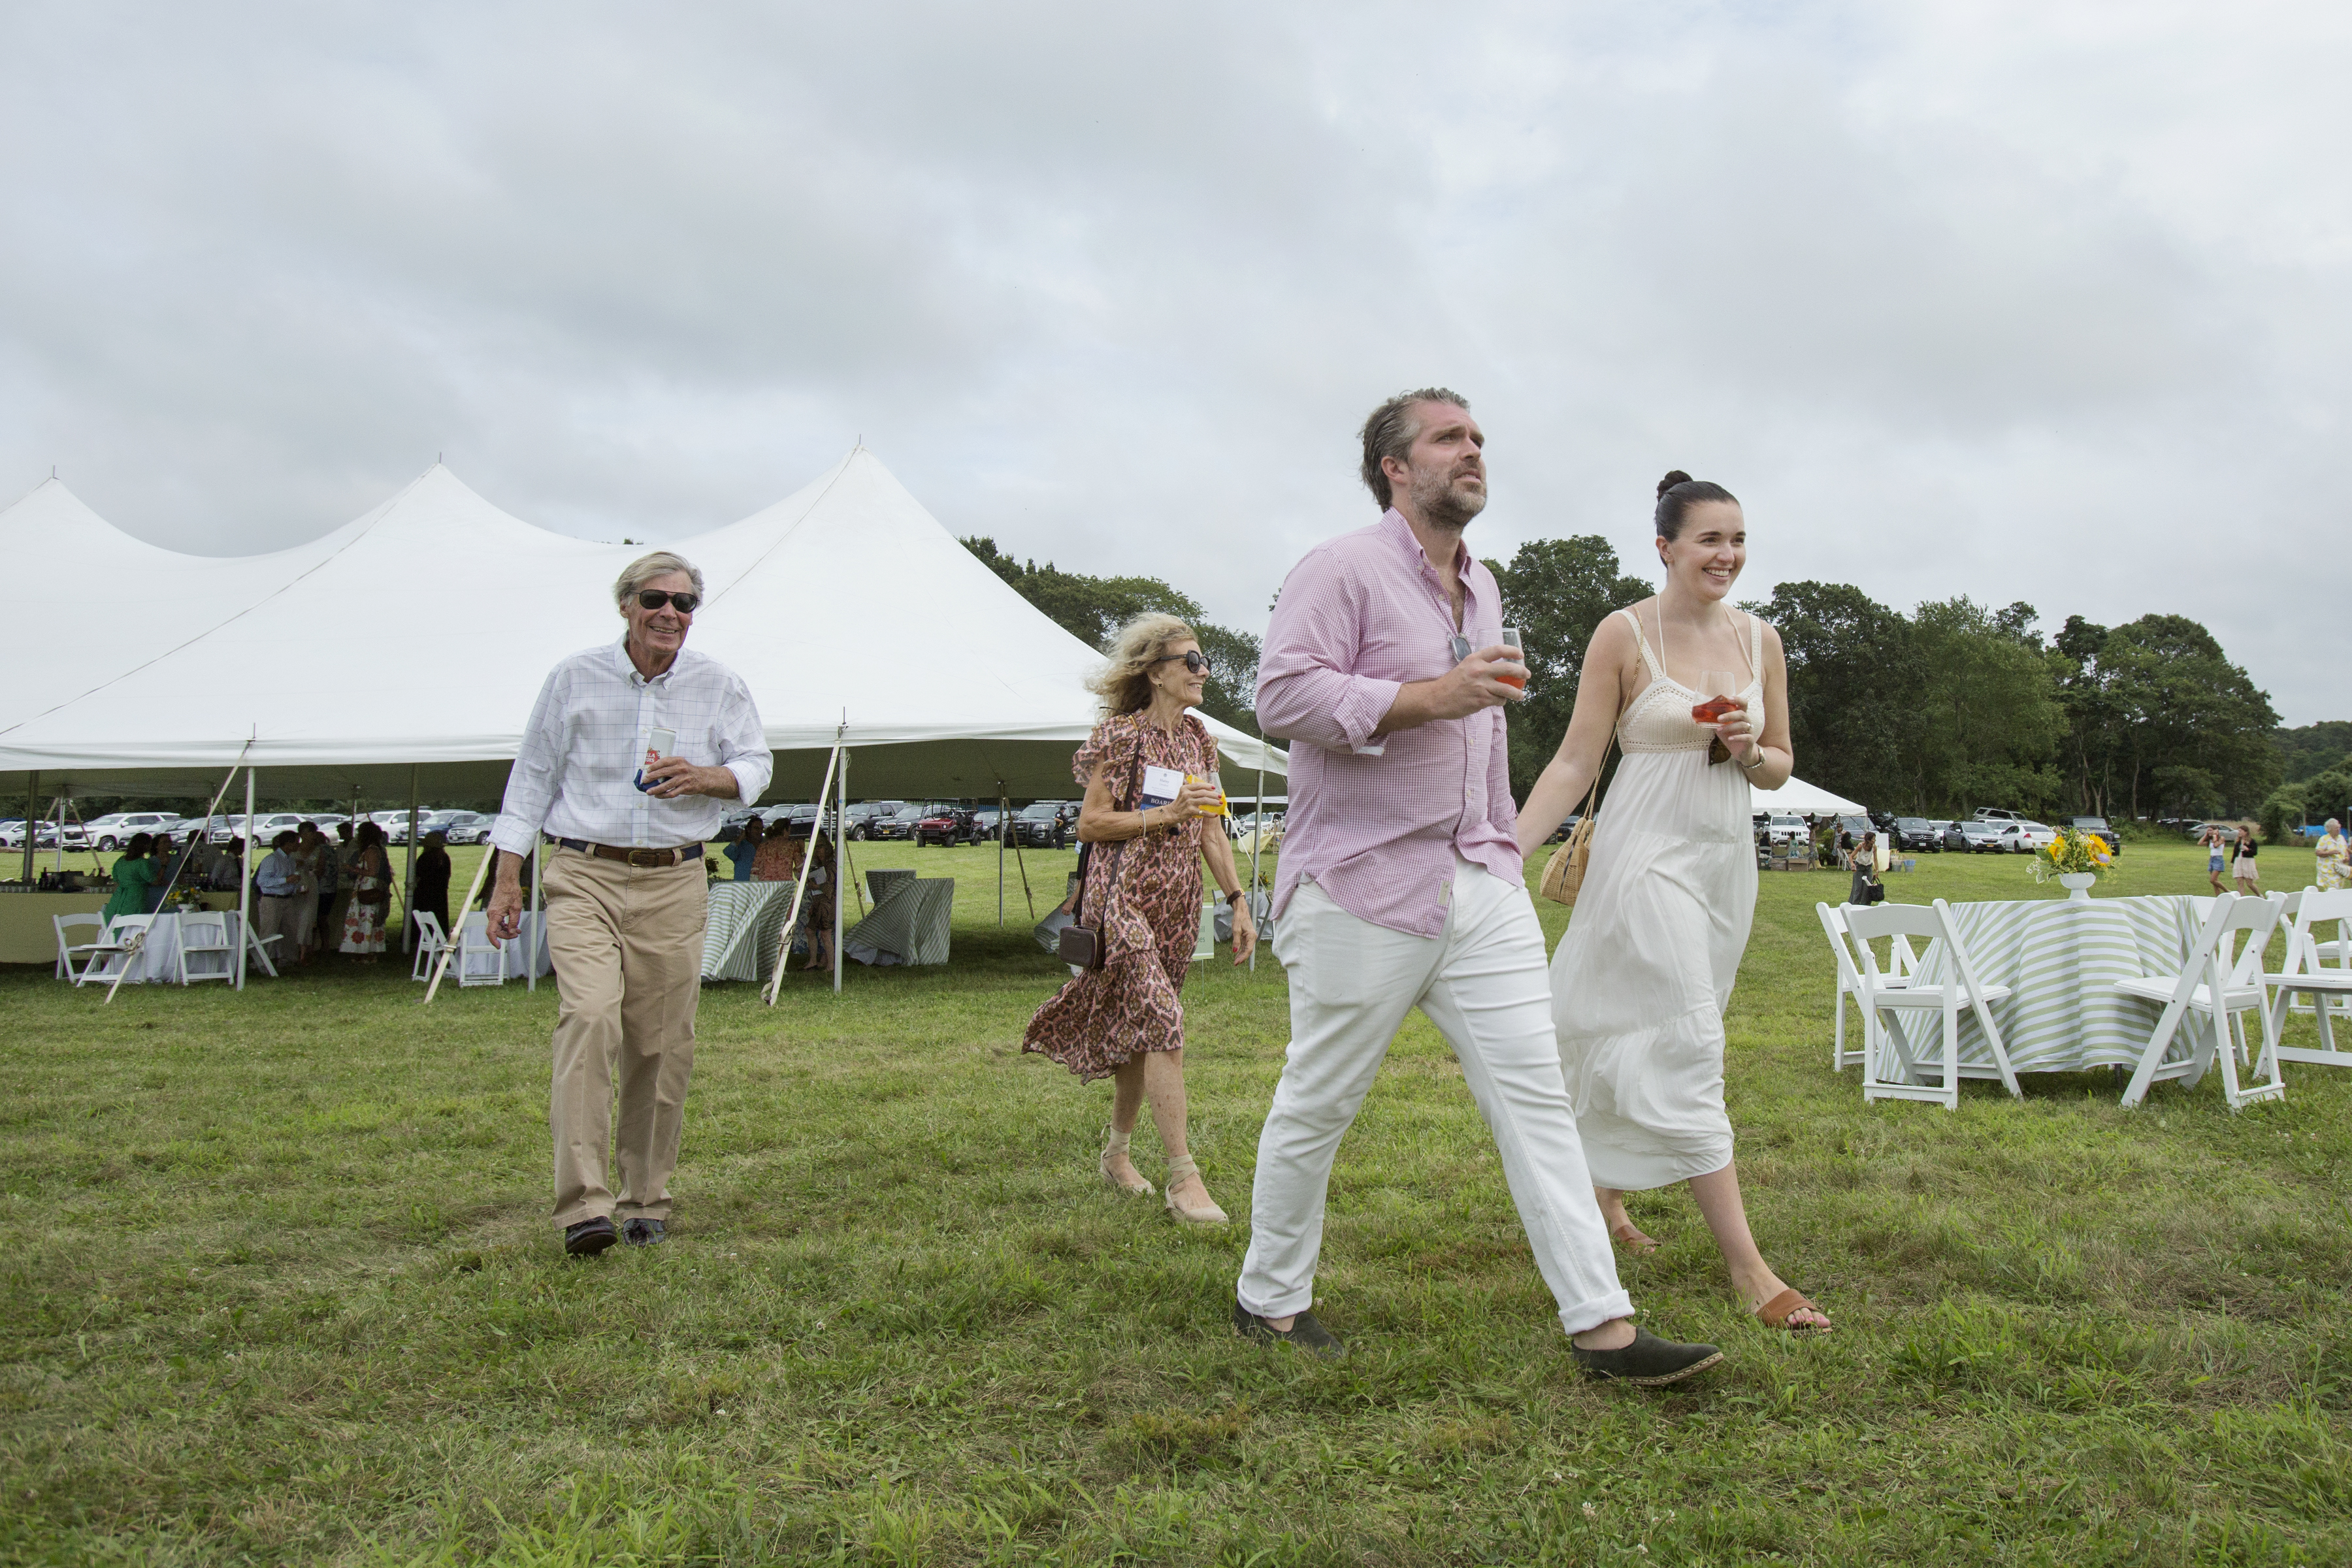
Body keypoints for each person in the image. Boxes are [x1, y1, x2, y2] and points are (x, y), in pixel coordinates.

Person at [1234, 389, 1721, 1384]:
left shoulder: (1484, 585)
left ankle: (1603, 1327)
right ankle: (1270, 1299)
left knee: (1537, 1099)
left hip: (1479, 878)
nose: (1474, 452)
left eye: (1479, 439)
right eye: (1450, 438)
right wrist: (1424, 700)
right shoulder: (1341, 568)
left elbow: (1481, 719)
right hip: (1361, 883)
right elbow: (1279, 693)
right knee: (1319, 1100)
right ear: (1394, 467)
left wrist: (1499, 832)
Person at [1516, 469, 1830, 1338]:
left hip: (1725, 861)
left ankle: (1603, 1200)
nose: (1726, 555)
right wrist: (1505, 847)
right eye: (1709, 540)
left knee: (1638, 1025)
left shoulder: (1761, 640)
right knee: (1689, 1037)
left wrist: (1744, 748)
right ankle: (1750, 1270)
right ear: (1666, 547)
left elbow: (1779, 764)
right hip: (1643, 855)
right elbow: (1578, 761)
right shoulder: (1623, 634)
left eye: (1737, 540)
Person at [485, 551, 770, 1257]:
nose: (670, 614)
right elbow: (531, 780)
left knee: (661, 1043)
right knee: (588, 1018)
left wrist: (711, 777)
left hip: (675, 880)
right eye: (655, 600)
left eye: (685, 603)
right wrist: (507, 876)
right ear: (625, 607)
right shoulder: (573, 678)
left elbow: (758, 765)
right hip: (583, 872)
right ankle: (584, 1205)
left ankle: (646, 1198)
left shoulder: (719, 684)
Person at [1021, 613, 1258, 1226]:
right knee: (1164, 1020)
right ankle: (1185, 1178)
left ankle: (1117, 1154)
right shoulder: (1119, 738)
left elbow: (1211, 828)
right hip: (1120, 899)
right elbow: (1090, 825)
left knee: (1144, 1032)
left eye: (1203, 661)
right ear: (1156, 672)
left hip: (1178, 903)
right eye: (1192, 660)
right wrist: (1165, 813)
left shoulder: (1201, 740)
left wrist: (1236, 901)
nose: (1203, 671)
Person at [338, 822, 392, 959]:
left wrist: (352, 869)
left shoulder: (371, 850)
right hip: (364, 886)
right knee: (365, 920)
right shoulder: (373, 849)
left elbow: (373, 872)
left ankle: (367, 951)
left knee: (367, 919)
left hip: (368, 887)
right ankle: (363, 950)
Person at [253, 830, 304, 967]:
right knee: (269, 930)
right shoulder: (272, 859)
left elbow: (290, 880)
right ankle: (263, 961)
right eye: (296, 843)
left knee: (289, 930)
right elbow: (262, 881)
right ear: (288, 844)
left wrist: (296, 887)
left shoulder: (291, 860)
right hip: (272, 899)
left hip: (288, 898)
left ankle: (288, 959)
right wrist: (285, 880)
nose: (298, 846)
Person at [101, 833, 157, 926]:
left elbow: (116, 879)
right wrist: (164, 865)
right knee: (132, 923)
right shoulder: (142, 863)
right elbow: (154, 881)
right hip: (135, 897)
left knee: (114, 921)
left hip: (118, 897)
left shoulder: (121, 861)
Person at [412, 830, 453, 947]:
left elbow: (418, 875)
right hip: (440, 892)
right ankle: (439, 936)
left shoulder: (425, 857)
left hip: (424, 892)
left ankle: (420, 937)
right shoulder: (444, 857)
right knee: (439, 915)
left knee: (423, 914)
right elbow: (447, 875)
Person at [800, 834, 835, 968]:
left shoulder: (831, 866)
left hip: (828, 904)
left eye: (820, 848)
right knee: (810, 931)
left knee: (825, 934)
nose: (818, 851)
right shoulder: (821, 866)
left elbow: (830, 888)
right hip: (819, 903)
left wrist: (816, 886)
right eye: (816, 849)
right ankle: (813, 961)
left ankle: (831, 965)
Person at [726, 815, 764, 881]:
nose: (760, 831)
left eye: (762, 829)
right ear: (748, 830)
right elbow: (728, 852)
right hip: (743, 884)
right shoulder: (741, 845)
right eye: (756, 828)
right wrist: (740, 838)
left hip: (761, 884)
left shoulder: (765, 845)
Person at [2317, 818, 2349, 892]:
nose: (2338, 829)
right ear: (2330, 829)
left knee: (2339, 888)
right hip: (2328, 870)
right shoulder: (2324, 839)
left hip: (2340, 869)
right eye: (2336, 828)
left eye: (2339, 827)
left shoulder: (2341, 838)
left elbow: (2345, 849)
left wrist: (2347, 857)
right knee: (2333, 889)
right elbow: (2318, 852)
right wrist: (2330, 852)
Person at [2200, 824, 2229, 894]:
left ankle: (2227, 891)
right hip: (2212, 859)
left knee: (2213, 880)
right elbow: (2200, 843)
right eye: (2208, 830)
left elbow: (2216, 846)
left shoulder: (2221, 838)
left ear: (2216, 831)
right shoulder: (2210, 840)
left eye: (2211, 830)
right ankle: (2218, 896)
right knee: (2215, 882)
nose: (2209, 832)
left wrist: (2215, 836)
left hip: (2218, 859)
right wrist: (2206, 835)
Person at [2232, 825, 2260, 894]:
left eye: (2241, 831)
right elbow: (2235, 853)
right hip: (2238, 861)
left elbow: (2254, 852)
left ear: (2246, 832)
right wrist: (2233, 862)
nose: (2239, 833)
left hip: (2248, 862)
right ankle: (2242, 899)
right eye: (2239, 831)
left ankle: (2259, 895)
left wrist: (2247, 849)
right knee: (2240, 882)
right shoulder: (2238, 841)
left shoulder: (2252, 841)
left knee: (2249, 883)